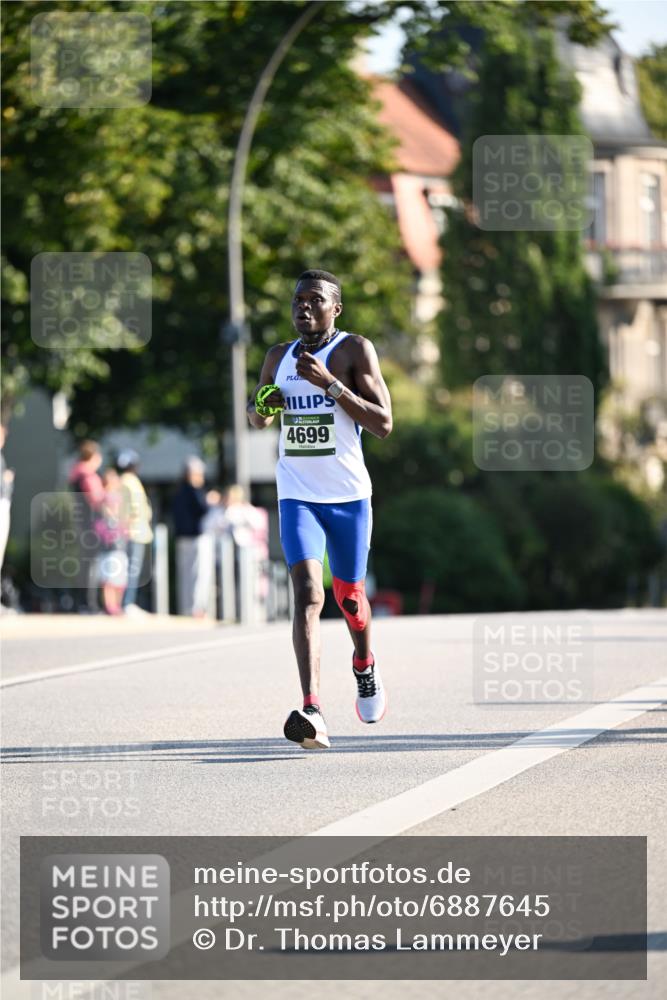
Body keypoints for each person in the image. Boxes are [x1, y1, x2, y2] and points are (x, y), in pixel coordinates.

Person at [248, 269, 392, 749]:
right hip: (297, 495)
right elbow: (258, 414)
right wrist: (262, 407)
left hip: (348, 496)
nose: (303, 308)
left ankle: (364, 666)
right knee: (309, 593)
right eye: (297, 302)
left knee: (350, 597)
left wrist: (330, 384)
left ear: (336, 308)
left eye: (314, 301)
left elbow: (384, 424)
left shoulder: (353, 351)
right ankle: (311, 708)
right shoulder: (278, 357)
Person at [172, 457, 219, 618]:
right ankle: (196, 609)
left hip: (182, 537)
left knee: (185, 576)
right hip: (196, 538)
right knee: (198, 575)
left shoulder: (178, 490)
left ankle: (187, 608)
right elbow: (202, 509)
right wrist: (209, 499)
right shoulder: (194, 490)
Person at [68, 439, 105, 610]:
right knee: (90, 563)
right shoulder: (87, 475)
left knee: (84, 563)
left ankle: (83, 601)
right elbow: (96, 499)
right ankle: (88, 602)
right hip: (90, 523)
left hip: (80, 521)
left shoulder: (76, 473)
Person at [116, 449, 153, 615]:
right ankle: (127, 602)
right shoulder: (129, 482)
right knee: (132, 568)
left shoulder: (125, 481)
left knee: (131, 568)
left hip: (134, 530)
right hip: (134, 531)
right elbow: (134, 509)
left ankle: (127, 602)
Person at [94, 468, 128, 615]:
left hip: (118, 543)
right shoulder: (105, 498)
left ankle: (115, 605)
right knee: (109, 577)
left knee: (118, 577)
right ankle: (110, 606)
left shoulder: (116, 497)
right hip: (109, 544)